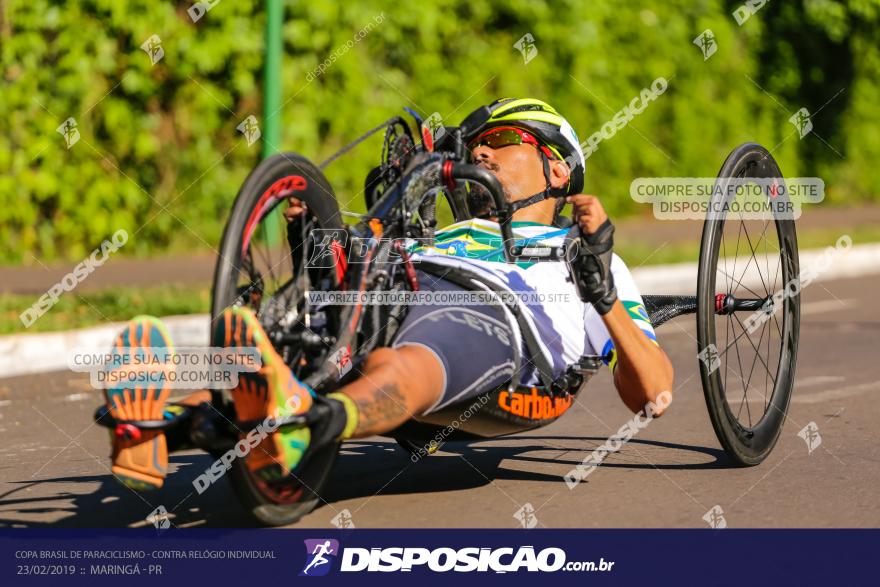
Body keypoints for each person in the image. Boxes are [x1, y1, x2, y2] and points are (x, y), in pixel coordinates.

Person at [103, 98, 673, 490]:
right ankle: (158, 428)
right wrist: (315, 240)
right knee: (314, 342)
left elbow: (652, 392)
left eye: (500, 140)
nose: (480, 152)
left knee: (409, 354)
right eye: (473, 144)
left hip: (499, 325)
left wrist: (600, 293)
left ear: (555, 168)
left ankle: (308, 424)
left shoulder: (586, 251)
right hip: (404, 282)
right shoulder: (441, 234)